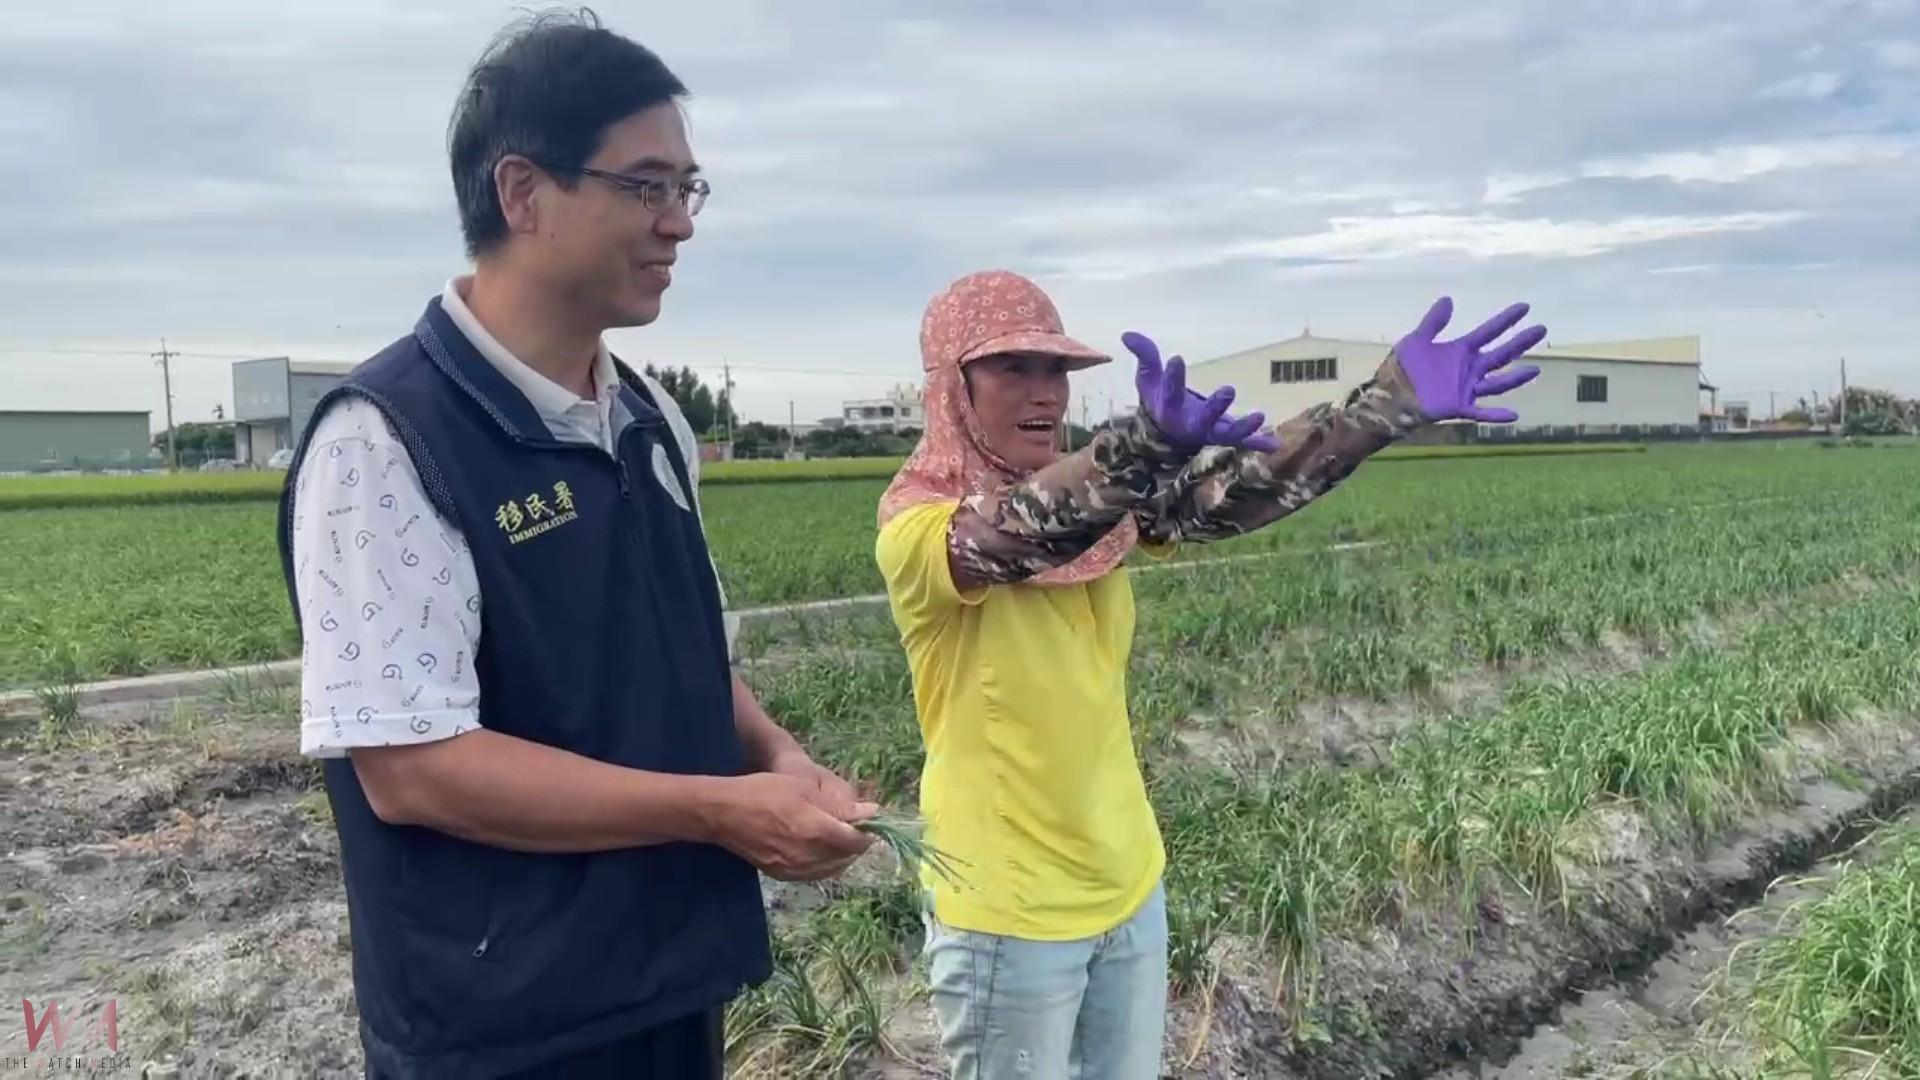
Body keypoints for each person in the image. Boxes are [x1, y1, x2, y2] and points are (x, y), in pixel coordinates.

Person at [275, 11, 874, 1078]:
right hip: (503, 1024)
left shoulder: (649, 420)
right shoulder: (388, 438)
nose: (678, 224)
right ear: (523, 193)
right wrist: (715, 809)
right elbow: (414, 769)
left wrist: (778, 759)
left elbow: (684, 655)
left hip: (666, 975)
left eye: (688, 189)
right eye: (645, 187)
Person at [874, 270, 1545, 1079]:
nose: (1043, 390)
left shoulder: (1109, 508)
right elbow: (1018, 533)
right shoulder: (920, 531)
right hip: (1007, 913)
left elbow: (1231, 493)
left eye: (1055, 369)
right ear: (952, 387)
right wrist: (1142, 447)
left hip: (1127, 882)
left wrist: (1382, 406)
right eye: (1012, 368)